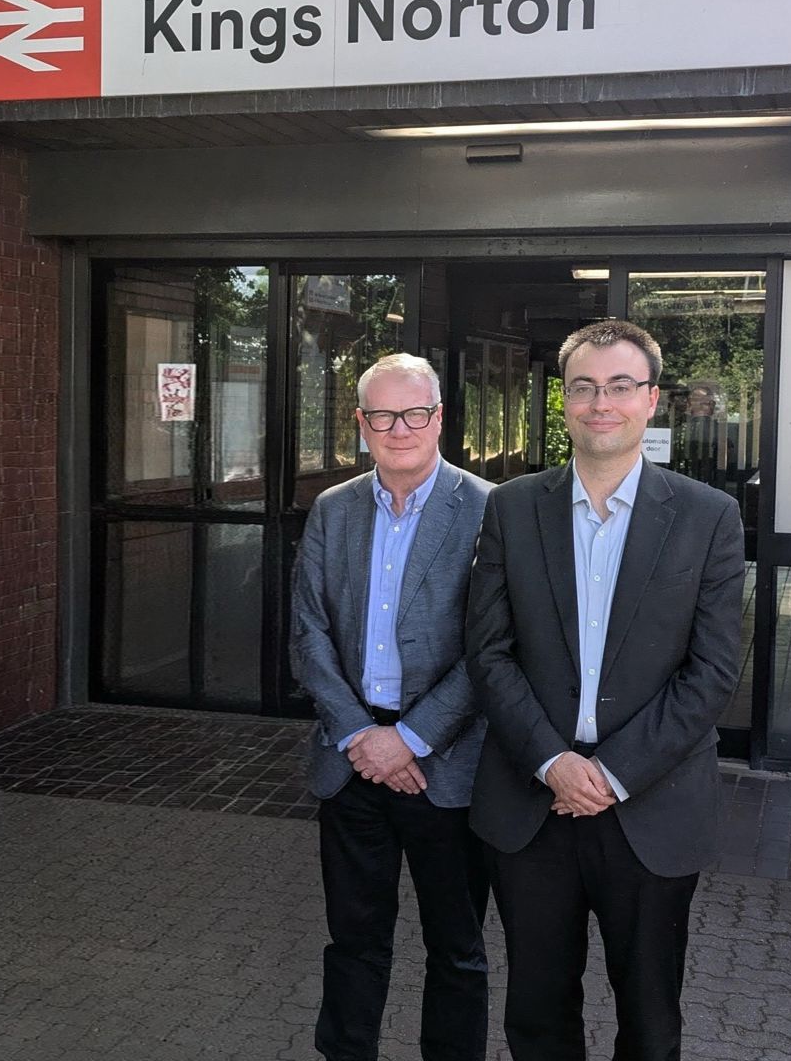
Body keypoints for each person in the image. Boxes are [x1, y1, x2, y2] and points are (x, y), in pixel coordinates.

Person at [466, 320, 745, 1061]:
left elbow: (713, 672)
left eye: (621, 387)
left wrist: (612, 774)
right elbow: (489, 653)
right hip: (532, 802)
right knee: (534, 1013)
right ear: (564, 401)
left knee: (651, 1021)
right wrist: (554, 762)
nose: (601, 403)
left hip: (651, 808)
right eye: (584, 387)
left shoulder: (709, 517)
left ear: (652, 400)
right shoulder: (513, 507)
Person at [292, 352, 494, 1061]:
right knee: (353, 940)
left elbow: (492, 651)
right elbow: (308, 633)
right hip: (351, 766)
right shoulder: (333, 509)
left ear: (438, 418)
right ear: (361, 423)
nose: (398, 427)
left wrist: (410, 739)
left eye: (414, 413)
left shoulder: (489, 509)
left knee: (458, 949)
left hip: (447, 767)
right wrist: (361, 737)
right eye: (382, 414)